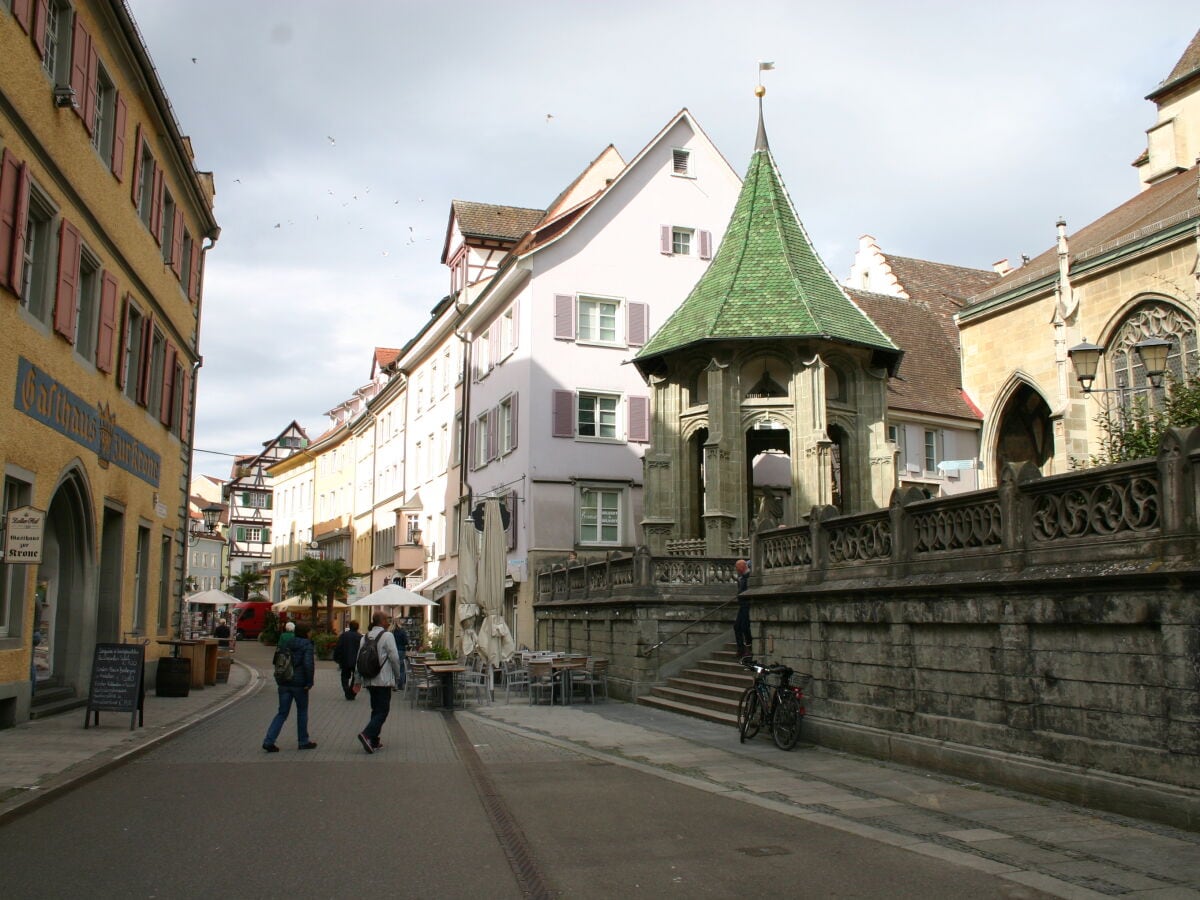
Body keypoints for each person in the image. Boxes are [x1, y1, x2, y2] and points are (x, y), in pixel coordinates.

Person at [262, 622, 317, 752]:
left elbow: (277, 660)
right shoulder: (307, 645)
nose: (311, 634)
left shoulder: (287, 643)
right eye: (310, 631)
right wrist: (309, 682)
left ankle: (269, 740)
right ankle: (303, 741)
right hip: (300, 684)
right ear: (306, 633)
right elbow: (308, 665)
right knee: (302, 712)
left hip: (284, 682)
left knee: (282, 713)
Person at [357, 611, 403, 754]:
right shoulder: (387, 636)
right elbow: (394, 658)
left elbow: (358, 659)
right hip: (383, 680)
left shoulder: (364, 637)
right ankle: (367, 734)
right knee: (383, 711)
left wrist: (357, 679)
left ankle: (374, 741)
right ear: (381, 621)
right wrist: (397, 676)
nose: (389, 621)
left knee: (376, 710)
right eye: (387, 619)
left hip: (369, 679)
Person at [332, 620, 363, 700]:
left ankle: (346, 690)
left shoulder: (343, 636)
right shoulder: (360, 637)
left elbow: (338, 647)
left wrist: (336, 658)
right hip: (356, 661)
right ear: (357, 627)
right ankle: (352, 692)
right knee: (355, 677)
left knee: (344, 677)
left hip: (345, 660)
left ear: (349, 626)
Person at [733, 559, 752, 660]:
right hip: (742, 605)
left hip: (747, 605)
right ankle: (741, 648)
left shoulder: (748, 576)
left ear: (741, 567)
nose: (736, 570)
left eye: (737, 568)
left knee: (745, 627)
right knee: (737, 627)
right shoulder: (742, 577)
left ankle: (749, 649)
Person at [390, 618, 409, 692]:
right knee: (401, 668)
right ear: (399, 623)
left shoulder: (391, 631)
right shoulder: (402, 631)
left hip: (393, 650)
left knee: (393, 668)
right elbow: (406, 641)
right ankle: (400, 685)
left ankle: (394, 685)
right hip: (401, 650)